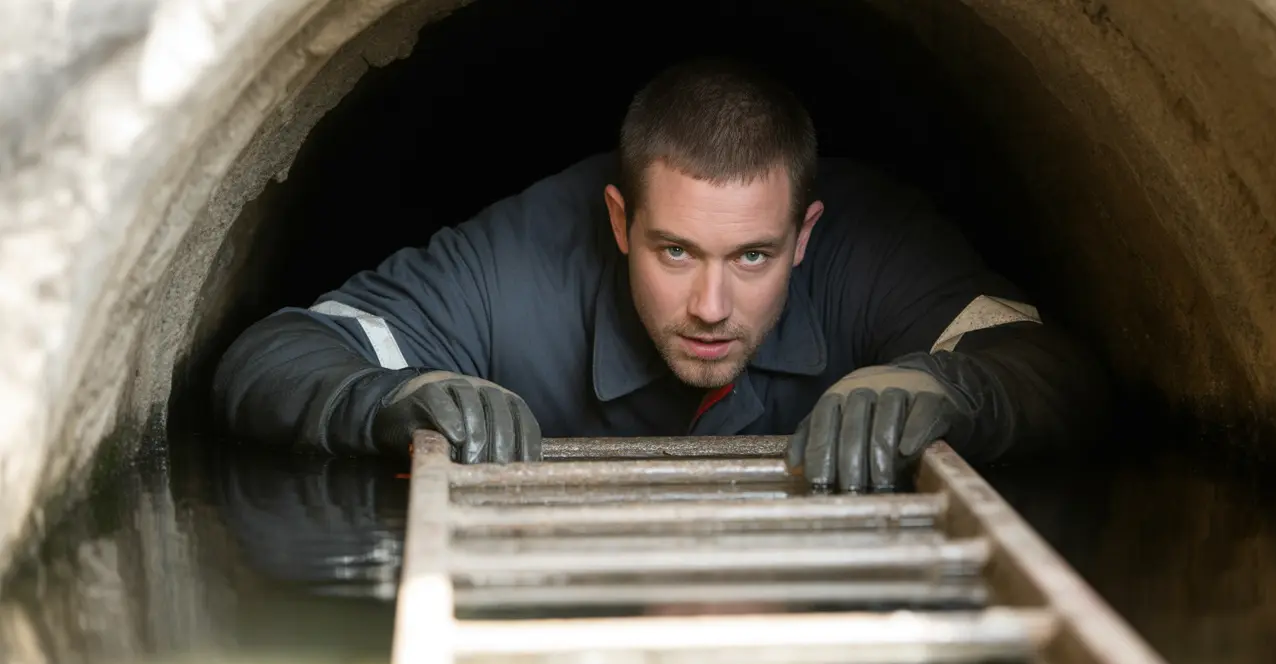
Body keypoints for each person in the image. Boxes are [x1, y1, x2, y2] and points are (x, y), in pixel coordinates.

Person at [212, 58, 1105, 492]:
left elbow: (1050, 362)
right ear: (618, 222)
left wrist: (942, 386)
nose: (711, 306)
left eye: (752, 256)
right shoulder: (517, 264)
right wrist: (395, 399)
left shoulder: (874, 251)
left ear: (804, 236)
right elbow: (277, 350)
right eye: (675, 251)